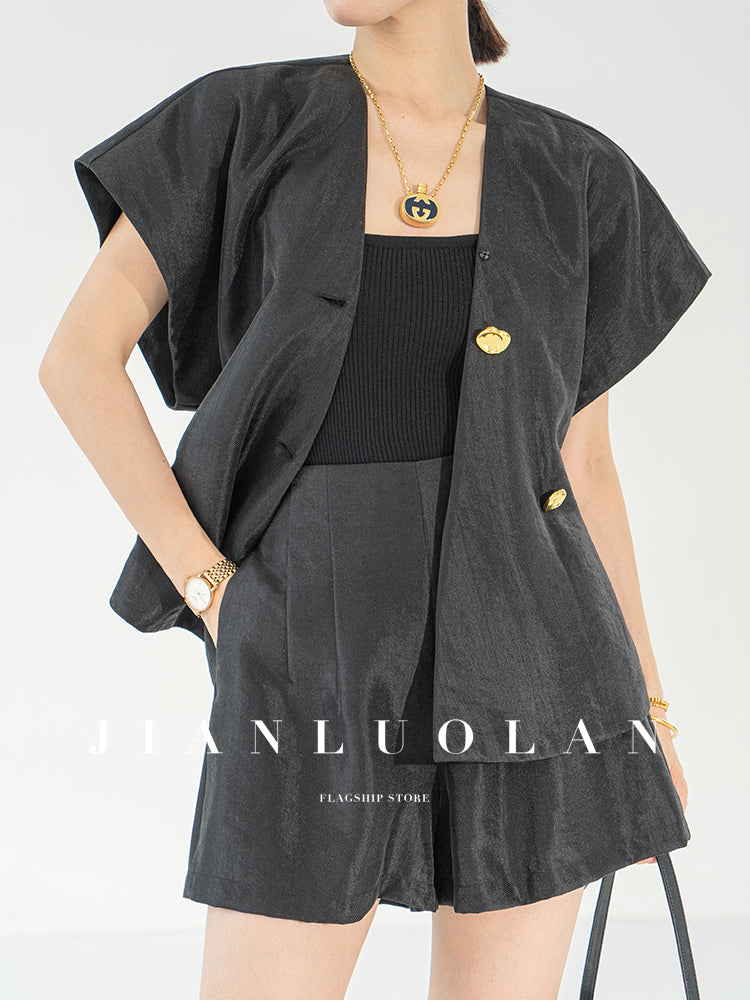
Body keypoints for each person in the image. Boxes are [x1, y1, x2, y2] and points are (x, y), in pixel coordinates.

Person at [39, 1, 711, 997]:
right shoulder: (242, 123)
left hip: (532, 660)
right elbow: (77, 362)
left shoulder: (574, 173)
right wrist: (210, 586)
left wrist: (647, 709)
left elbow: (586, 463)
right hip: (311, 651)